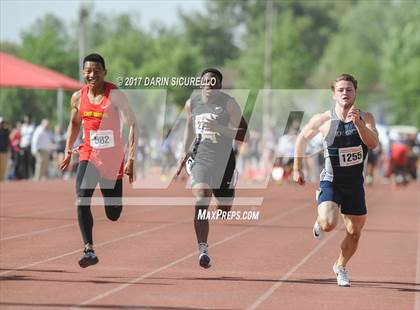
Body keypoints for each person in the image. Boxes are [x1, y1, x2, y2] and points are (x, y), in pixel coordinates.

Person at [293, 74, 379, 287]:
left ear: (355, 93)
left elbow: (374, 143)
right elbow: (302, 138)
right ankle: (322, 211)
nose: (345, 93)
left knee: (355, 232)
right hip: (331, 180)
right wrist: (297, 168)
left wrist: (359, 124)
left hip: (354, 184)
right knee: (328, 224)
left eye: (349, 89)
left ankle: (340, 266)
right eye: (340, 89)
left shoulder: (366, 117)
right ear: (334, 94)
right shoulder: (324, 119)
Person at [59, 53, 137, 268]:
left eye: (96, 70)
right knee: (81, 199)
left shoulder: (115, 95)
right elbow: (74, 124)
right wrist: (67, 150)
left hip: (112, 160)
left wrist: (131, 158)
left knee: (113, 213)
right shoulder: (77, 97)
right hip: (88, 155)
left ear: (104, 72)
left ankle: (111, 203)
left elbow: (132, 124)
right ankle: (89, 249)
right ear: (83, 72)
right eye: (87, 70)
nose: (91, 74)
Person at [177, 68, 249, 268]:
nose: (209, 85)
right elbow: (190, 126)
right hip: (202, 158)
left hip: (225, 161)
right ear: (201, 84)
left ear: (219, 86)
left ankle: (224, 194)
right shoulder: (193, 103)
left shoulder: (229, 103)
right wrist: (184, 152)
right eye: (206, 82)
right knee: (201, 195)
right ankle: (203, 249)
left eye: (214, 82)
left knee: (225, 210)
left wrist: (220, 129)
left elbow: (244, 134)